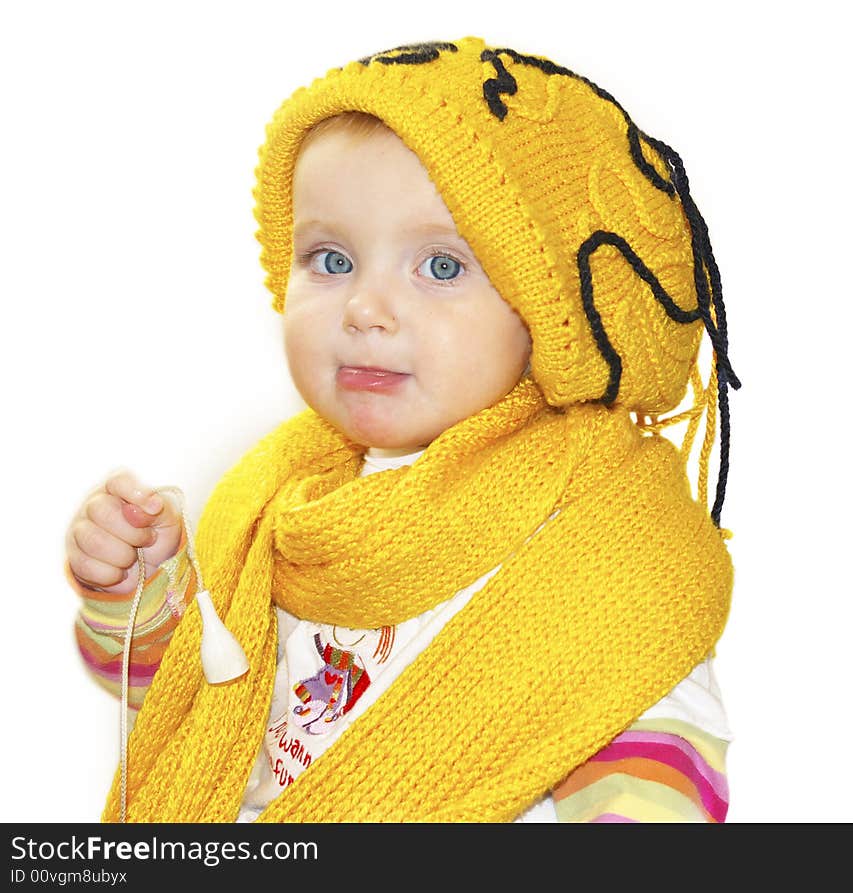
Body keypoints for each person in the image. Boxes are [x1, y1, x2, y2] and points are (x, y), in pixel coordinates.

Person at [64, 36, 739, 823]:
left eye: (441, 267)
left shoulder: (590, 536)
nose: (364, 308)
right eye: (330, 258)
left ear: (549, 311)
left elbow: (650, 751)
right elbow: (190, 704)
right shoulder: (281, 500)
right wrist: (138, 594)